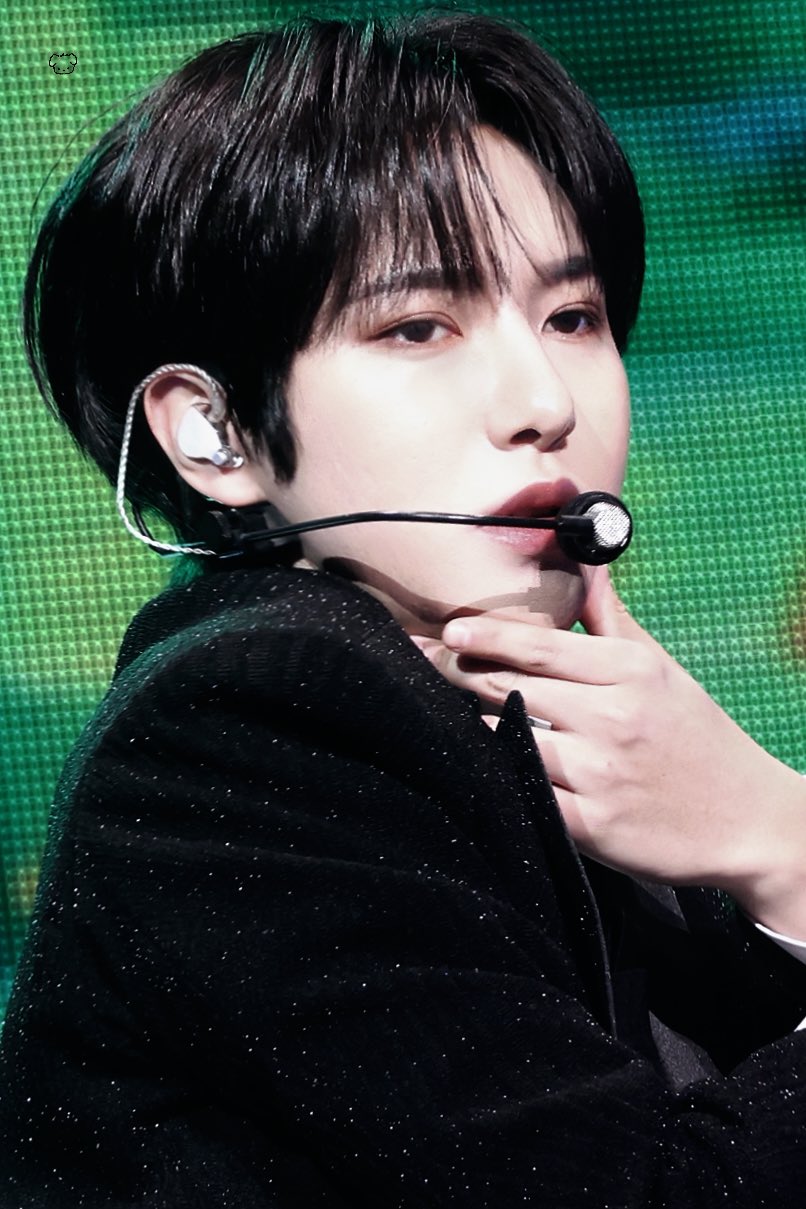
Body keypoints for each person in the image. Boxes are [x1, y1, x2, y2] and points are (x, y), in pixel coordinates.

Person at [1, 10, 805, 1206]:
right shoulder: (254, 726)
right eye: (417, 326)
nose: (543, 401)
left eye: (572, 318)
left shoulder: (512, 704)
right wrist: (789, 845)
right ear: (214, 433)